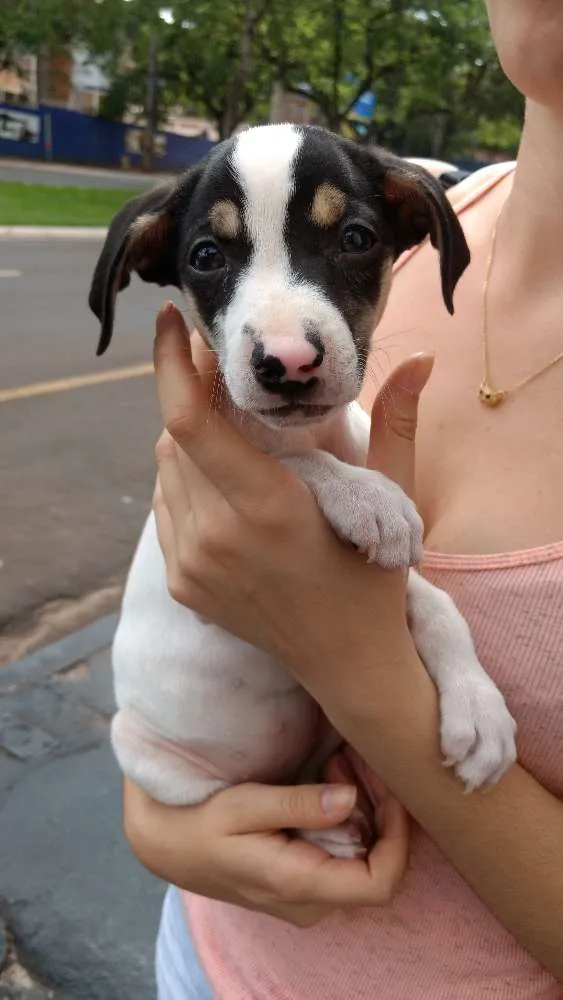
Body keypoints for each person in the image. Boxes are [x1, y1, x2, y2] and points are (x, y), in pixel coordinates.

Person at [123, 0, 563, 995]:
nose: (286, 345)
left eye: (348, 241)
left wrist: (358, 665)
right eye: (211, 256)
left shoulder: (409, 213)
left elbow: (342, 617)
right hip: (199, 958)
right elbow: (176, 662)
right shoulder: (429, 211)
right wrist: (163, 824)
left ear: (406, 233)